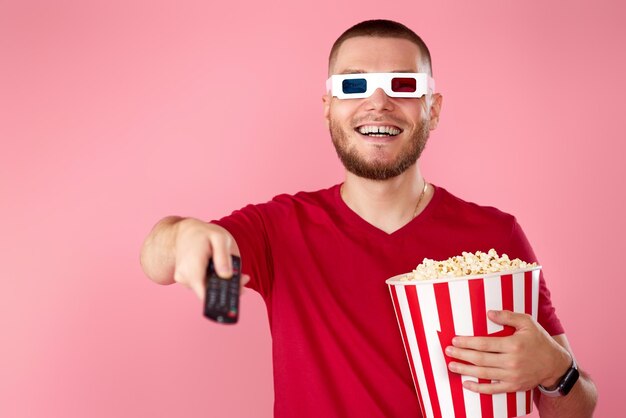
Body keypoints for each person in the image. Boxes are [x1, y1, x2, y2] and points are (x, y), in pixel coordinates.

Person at [140, 19, 597, 417]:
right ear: (328, 110)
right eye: (353, 86)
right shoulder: (278, 228)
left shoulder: (495, 236)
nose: (377, 103)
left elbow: (577, 409)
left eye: (403, 85)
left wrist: (557, 371)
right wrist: (182, 236)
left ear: (432, 110)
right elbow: (158, 257)